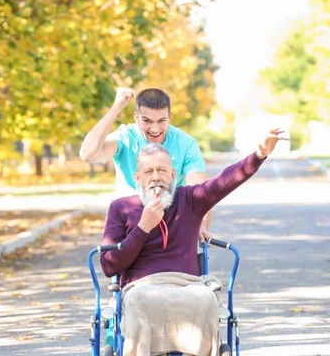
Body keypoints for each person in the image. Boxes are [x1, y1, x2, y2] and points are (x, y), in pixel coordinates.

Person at [100, 128, 288, 356]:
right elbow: (110, 265)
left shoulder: (189, 199)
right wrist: (143, 227)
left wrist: (258, 155)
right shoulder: (121, 208)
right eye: (148, 171)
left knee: (206, 297)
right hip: (141, 286)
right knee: (140, 299)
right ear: (137, 178)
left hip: (187, 283)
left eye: (162, 170)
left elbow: (224, 181)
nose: (156, 177)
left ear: (172, 175)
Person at [79, 87, 213, 249]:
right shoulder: (125, 138)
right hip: (130, 223)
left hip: (172, 223)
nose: (155, 129)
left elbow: (199, 190)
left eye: (161, 121)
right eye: (147, 121)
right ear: (136, 117)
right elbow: (88, 154)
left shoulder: (185, 143)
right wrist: (116, 107)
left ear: (170, 117)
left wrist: (201, 223)